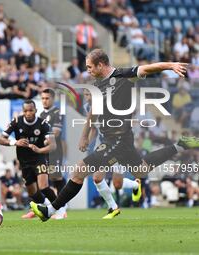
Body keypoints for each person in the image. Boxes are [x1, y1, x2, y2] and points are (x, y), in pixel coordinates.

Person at [30, 48, 199, 221]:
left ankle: (50, 210)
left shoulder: (122, 76)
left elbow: (147, 68)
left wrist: (170, 65)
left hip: (117, 138)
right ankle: (180, 144)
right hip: (118, 140)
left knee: (79, 171)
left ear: (101, 65)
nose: (87, 70)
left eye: (90, 67)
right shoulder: (96, 86)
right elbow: (93, 113)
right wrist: (84, 135)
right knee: (141, 169)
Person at [80, 88, 141, 219]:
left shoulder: (108, 105)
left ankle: (117, 203)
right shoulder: (87, 108)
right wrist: (88, 143)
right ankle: (115, 205)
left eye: (90, 94)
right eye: (86, 95)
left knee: (113, 183)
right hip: (104, 146)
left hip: (118, 146)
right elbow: (94, 129)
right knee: (111, 182)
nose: (88, 98)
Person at [0, 100, 58, 218]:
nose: (28, 113)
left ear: (35, 110)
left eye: (31, 110)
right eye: (25, 111)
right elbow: (1, 139)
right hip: (24, 161)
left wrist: (39, 150)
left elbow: (53, 145)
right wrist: (15, 142)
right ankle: (45, 208)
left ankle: (60, 209)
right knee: (32, 192)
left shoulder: (43, 124)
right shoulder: (16, 122)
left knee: (43, 186)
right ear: (23, 111)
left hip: (39, 157)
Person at [39, 88, 68, 219]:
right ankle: (53, 205)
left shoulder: (57, 112)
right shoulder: (41, 115)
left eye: (47, 98)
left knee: (55, 177)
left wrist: (43, 141)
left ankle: (62, 207)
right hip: (44, 151)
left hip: (55, 150)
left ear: (53, 99)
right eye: (43, 98)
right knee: (45, 179)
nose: (44, 101)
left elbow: (56, 132)